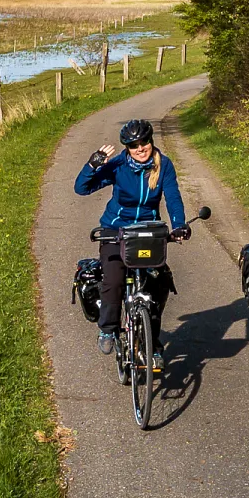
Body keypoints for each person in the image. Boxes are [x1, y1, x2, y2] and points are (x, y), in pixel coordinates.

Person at [75, 118, 189, 365]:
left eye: (144, 142)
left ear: (151, 141)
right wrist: (92, 165)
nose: (140, 148)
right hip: (115, 232)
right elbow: (82, 188)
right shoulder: (118, 166)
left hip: (147, 233)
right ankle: (108, 328)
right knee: (114, 280)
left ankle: (152, 343)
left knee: (157, 288)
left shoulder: (164, 165)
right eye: (133, 144)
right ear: (126, 147)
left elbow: (173, 197)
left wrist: (179, 225)